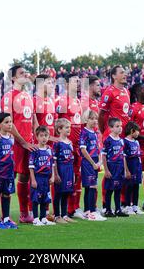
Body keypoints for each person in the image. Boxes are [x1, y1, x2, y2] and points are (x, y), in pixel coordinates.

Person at [2, 65, 38, 224]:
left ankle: (24, 213)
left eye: (26, 73)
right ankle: (3, 215)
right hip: (14, 144)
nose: (25, 75)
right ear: (13, 78)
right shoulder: (9, 96)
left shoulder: (28, 96)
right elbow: (8, 124)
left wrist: (35, 138)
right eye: (21, 73)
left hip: (28, 143)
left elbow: (33, 119)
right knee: (9, 177)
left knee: (25, 178)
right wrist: (22, 142)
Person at [98, 65, 130, 213]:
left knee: (120, 171)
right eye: (122, 72)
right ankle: (106, 205)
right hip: (110, 135)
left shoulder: (126, 91)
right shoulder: (109, 91)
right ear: (114, 76)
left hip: (122, 136)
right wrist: (104, 130)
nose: (125, 74)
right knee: (109, 171)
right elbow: (101, 114)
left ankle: (120, 206)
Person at [56, 73, 83, 219]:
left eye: (79, 81)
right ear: (66, 85)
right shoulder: (62, 101)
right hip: (64, 148)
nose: (78, 83)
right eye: (75, 81)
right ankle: (57, 211)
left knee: (76, 177)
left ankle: (74, 208)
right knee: (61, 178)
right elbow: (57, 123)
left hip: (76, 146)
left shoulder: (78, 101)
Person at [0, 113, 18, 229]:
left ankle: (6, 218)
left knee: (6, 194)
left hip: (8, 172)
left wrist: (13, 168)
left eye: (10, 122)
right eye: (6, 122)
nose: (10, 124)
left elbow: (11, 155)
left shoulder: (11, 138)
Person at [128, 83, 144, 211]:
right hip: (135, 147)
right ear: (137, 92)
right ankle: (129, 204)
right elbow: (129, 129)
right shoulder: (133, 108)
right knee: (133, 177)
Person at [79, 110, 106, 221]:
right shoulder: (84, 132)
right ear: (86, 120)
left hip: (94, 162)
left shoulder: (95, 133)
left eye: (96, 118)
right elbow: (83, 150)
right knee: (91, 187)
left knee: (90, 187)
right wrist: (93, 163)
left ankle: (87, 211)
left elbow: (98, 149)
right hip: (88, 163)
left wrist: (99, 162)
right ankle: (91, 212)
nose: (95, 121)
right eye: (92, 118)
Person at [102, 118, 129, 218]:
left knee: (118, 189)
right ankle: (108, 210)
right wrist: (106, 170)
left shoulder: (121, 141)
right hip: (111, 166)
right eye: (117, 126)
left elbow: (123, 156)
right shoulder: (108, 140)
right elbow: (104, 156)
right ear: (111, 128)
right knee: (110, 189)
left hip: (120, 167)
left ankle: (118, 209)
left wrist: (125, 169)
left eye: (120, 126)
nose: (120, 128)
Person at [29, 126, 56, 226]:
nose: (44, 138)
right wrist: (33, 180)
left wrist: (52, 176)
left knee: (45, 198)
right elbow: (31, 166)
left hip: (46, 178)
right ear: (37, 137)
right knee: (36, 198)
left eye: (46, 135)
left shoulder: (49, 150)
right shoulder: (34, 150)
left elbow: (52, 164)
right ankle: (36, 219)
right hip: (38, 177)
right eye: (41, 136)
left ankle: (43, 217)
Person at [52, 118, 76, 224]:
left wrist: (73, 173)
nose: (69, 129)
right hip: (61, 169)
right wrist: (56, 174)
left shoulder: (70, 142)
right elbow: (54, 160)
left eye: (69, 127)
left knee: (66, 193)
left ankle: (65, 215)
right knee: (58, 193)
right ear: (59, 129)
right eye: (66, 127)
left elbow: (71, 159)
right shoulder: (57, 143)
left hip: (69, 169)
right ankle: (57, 216)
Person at [122, 121, 144, 215]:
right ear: (132, 131)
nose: (138, 133)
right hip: (130, 166)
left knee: (136, 186)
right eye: (137, 131)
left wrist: (140, 169)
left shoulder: (136, 142)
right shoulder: (125, 142)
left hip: (137, 166)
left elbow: (139, 156)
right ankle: (127, 206)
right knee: (129, 187)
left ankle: (135, 206)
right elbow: (124, 157)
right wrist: (126, 170)